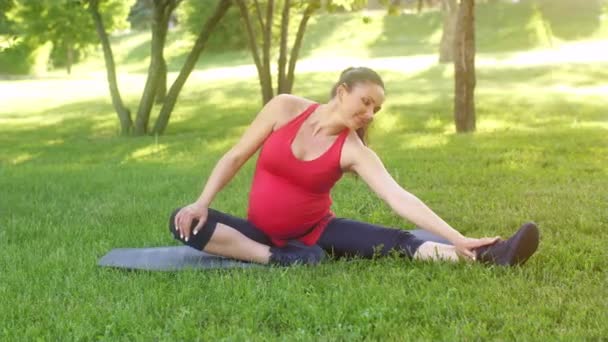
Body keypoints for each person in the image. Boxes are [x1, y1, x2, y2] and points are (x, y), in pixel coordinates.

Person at [169, 67, 539, 266]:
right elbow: (235, 156)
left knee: (398, 242)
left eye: (376, 109)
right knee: (182, 221)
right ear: (342, 90)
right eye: (365, 102)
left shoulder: (354, 151)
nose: (368, 114)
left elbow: (400, 198)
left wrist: (458, 237)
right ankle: (278, 259)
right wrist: (201, 201)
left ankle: (488, 256)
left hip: (316, 232)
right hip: (257, 235)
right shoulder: (284, 108)